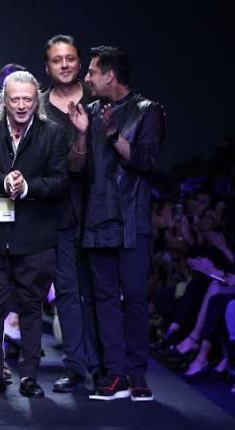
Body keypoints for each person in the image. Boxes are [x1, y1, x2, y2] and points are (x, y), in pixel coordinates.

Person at [68, 46, 165, 401]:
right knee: (104, 299)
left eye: (92, 72)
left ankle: (137, 374)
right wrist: (82, 134)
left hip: (131, 219)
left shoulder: (148, 110)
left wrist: (112, 134)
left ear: (110, 75)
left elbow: (146, 161)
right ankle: (115, 374)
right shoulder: (89, 113)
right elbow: (76, 168)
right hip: (97, 217)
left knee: (135, 297)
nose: (86, 78)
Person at [0, 70, 68, 398]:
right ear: (4, 101)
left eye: (27, 99)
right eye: (15, 99)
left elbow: (60, 181)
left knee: (31, 307)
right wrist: (2, 182)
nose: (21, 105)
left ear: (37, 100)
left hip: (35, 237)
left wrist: (25, 188)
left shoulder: (52, 133)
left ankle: (29, 378)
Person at [41, 34, 101, 393]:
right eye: (57, 60)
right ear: (47, 67)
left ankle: (104, 364)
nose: (64, 65)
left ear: (80, 62)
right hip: (57, 211)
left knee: (100, 291)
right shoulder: (39, 108)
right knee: (66, 292)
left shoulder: (98, 101)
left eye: (70, 58)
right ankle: (76, 365)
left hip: (98, 209)